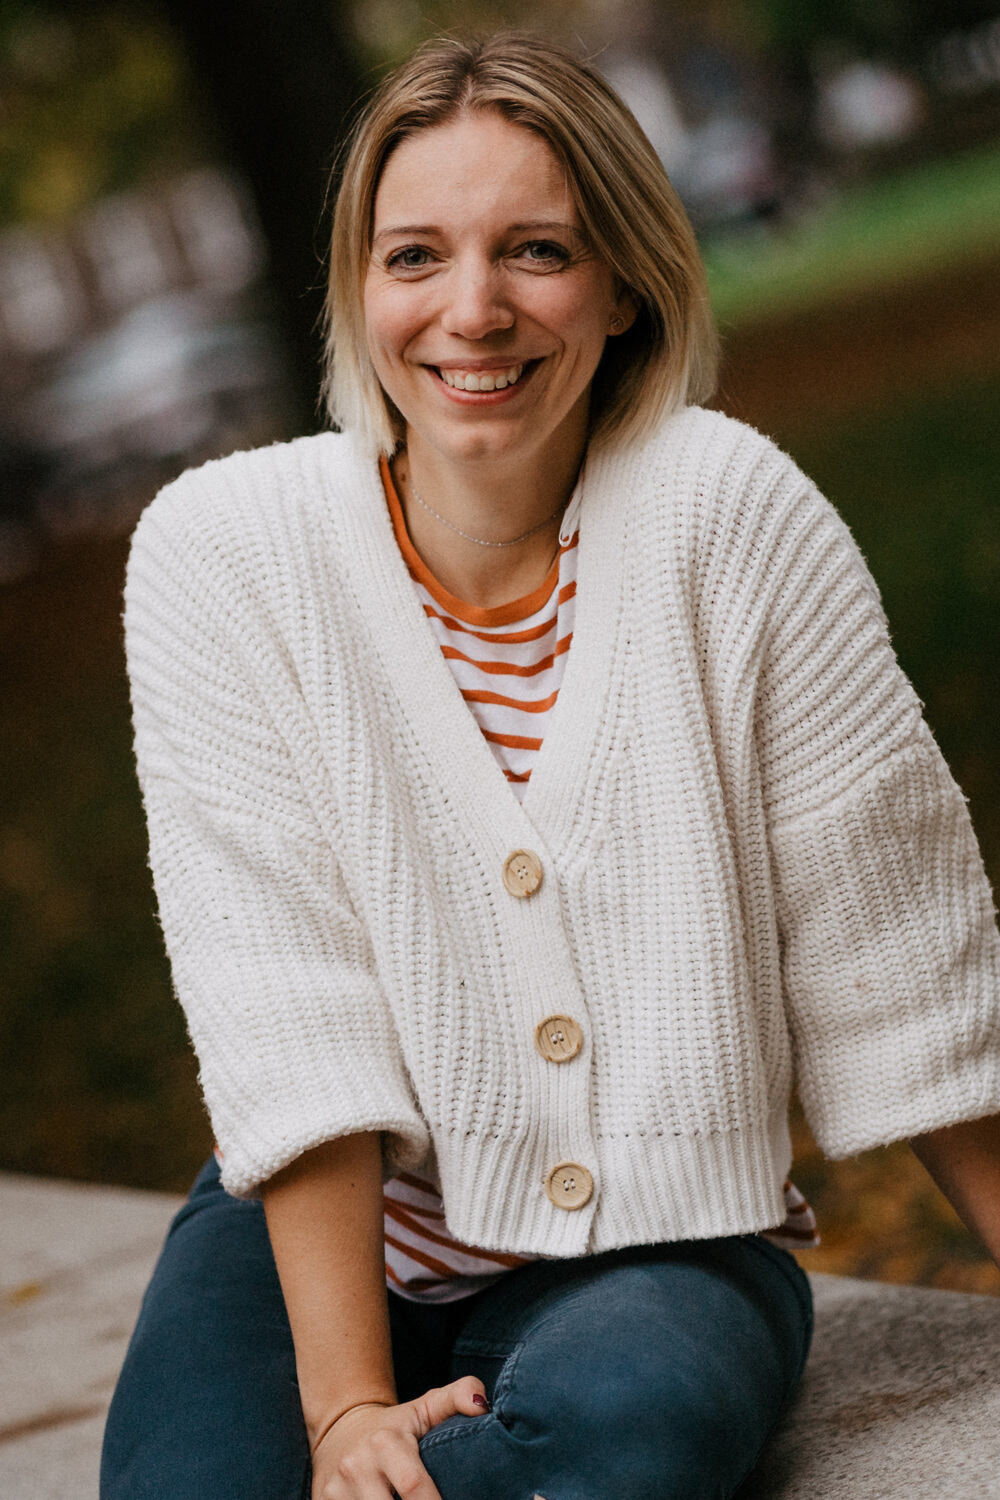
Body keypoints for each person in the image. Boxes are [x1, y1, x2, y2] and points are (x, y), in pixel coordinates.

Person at [101, 32, 1000, 1500]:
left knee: (614, 1448)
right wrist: (344, 1416)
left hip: (668, 1245)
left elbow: (901, 963)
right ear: (356, 287)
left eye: (537, 250)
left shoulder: (736, 521)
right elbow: (283, 1002)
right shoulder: (222, 559)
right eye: (415, 257)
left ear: (628, 279)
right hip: (337, 1244)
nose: (473, 310)